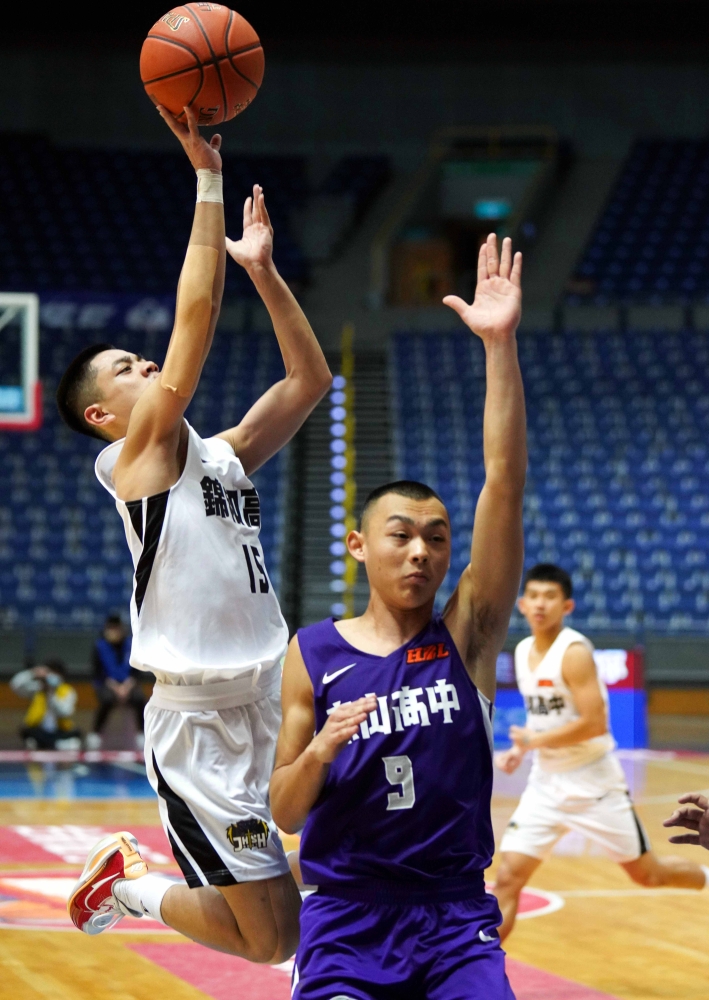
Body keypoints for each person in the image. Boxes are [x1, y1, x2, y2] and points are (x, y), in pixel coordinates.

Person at [56, 105, 331, 963]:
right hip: (202, 726)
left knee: (310, 908)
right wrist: (207, 177)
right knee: (269, 941)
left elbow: (310, 378)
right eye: (127, 371)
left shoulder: (221, 455)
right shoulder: (134, 460)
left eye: (144, 361)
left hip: (271, 701)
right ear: (105, 416)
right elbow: (196, 317)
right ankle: (129, 884)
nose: (147, 367)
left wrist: (265, 271)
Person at [271, 235, 525, 1000]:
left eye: (437, 538)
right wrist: (320, 748)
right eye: (401, 535)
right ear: (357, 546)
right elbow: (284, 811)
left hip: (453, 922)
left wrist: (499, 346)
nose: (421, 552)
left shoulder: (466, 635)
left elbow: (503, 484)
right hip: (345, 921)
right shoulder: (311, 652)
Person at [493, 563, 708, 942]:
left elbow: (595, 724)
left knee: (648, 875)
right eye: (535, 596)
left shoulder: (573, 652)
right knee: (508, 879)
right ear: (522, 604)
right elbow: (542, 720)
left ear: (567, 606)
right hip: (545, 785)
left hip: (594, 783)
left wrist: (532, 742)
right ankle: (480, 976)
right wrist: (518, 750)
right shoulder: (524, 649)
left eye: (550, 597)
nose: (541, 604)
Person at [86, 615, 146, 751]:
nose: (113, 632)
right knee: (107, 700)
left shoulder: (131, 644)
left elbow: (137, 671)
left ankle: (141, 734)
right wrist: (116, 688)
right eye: (110, 629)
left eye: (116, 628)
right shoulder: (99, 646)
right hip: (107, 685)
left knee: (139, 699)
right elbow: (98, 673)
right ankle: (95, 734)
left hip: (129, 684)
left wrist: (126, 686)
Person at [10, 660, 81, 750]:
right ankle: (43, 743)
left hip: (60, 731)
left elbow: (65, 712)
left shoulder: (68, 691)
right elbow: (15, 685)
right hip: (39, 730)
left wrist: (51, 694)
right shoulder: (37, 688)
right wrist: (33, 672)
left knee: (76, 733)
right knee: (25, 731)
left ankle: (52, 743)